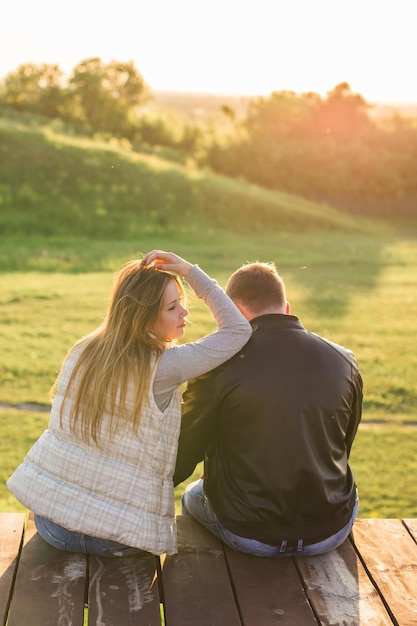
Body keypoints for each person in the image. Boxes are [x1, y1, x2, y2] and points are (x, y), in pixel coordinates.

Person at [7, 250, 252, 557]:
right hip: (116, 538)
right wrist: (190, 272)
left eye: (182, 303)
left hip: (53, 525)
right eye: (173, 307)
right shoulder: (165, 366)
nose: (184, 313)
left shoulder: (83, 349)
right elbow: (238, 330)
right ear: (145, 317)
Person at [174, 261, 363, 558]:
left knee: (192, 496)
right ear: (286, 308)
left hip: (247, 532)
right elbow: (341, 445)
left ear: (229, 311)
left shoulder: (218, 366)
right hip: (330, 528)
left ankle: (206, 579)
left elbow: (183, 454)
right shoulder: (344, 360)